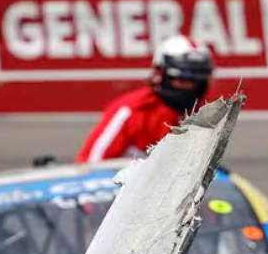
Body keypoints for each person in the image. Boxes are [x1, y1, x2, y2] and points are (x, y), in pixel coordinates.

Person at [74, 35, 214, 164]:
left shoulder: (204, 116)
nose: (189, 86)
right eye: (182, 79)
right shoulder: (131, 111)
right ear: (161, 73)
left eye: (196, 80)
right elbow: (89, 166)